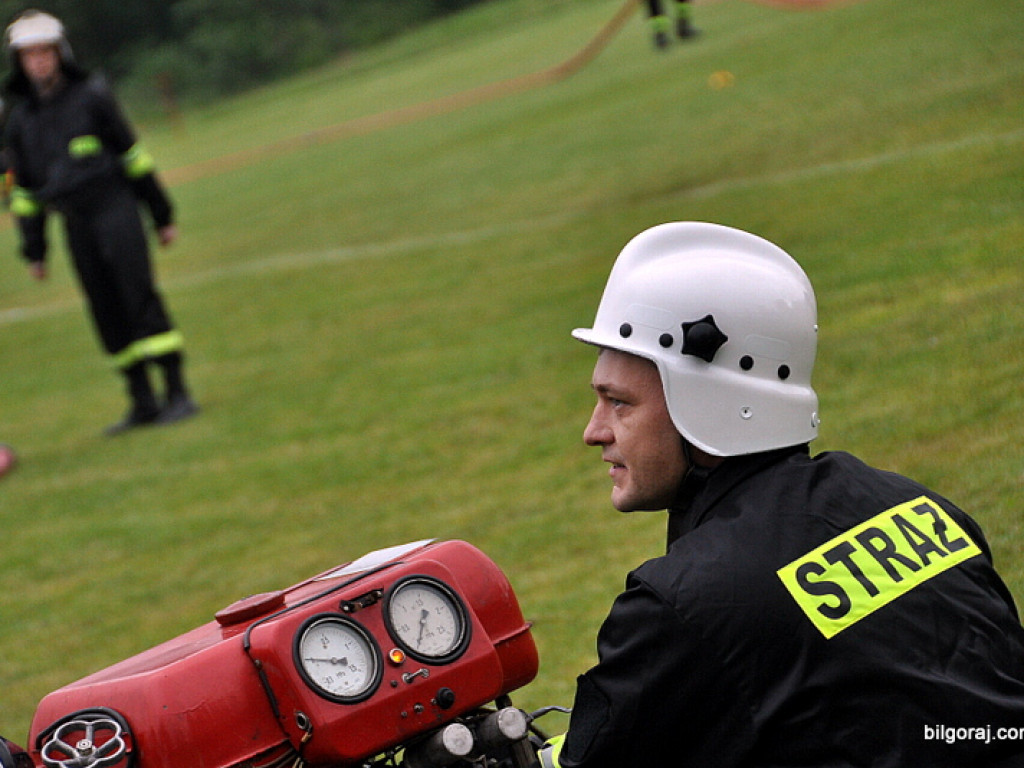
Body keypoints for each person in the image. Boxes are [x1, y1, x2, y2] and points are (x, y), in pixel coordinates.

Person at [539, 222, 1024, 767]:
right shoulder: (918, 508)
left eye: (618, 402)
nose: (594, 430)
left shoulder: (680, 607)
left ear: (705, 404)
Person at [2, 10, 198, 435]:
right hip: (75, 224)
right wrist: (35, 250)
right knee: (104, 309)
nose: (38, 62)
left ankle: (177, 392)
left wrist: (161, 215)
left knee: (138, 295)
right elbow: (25, 195)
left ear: (60, 54)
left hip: (115, 209)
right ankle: (142, 400)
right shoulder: (20, 122)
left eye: (45, 53)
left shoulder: (92, 97)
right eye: (29, 55)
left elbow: (134, 157)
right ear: (19, 62)